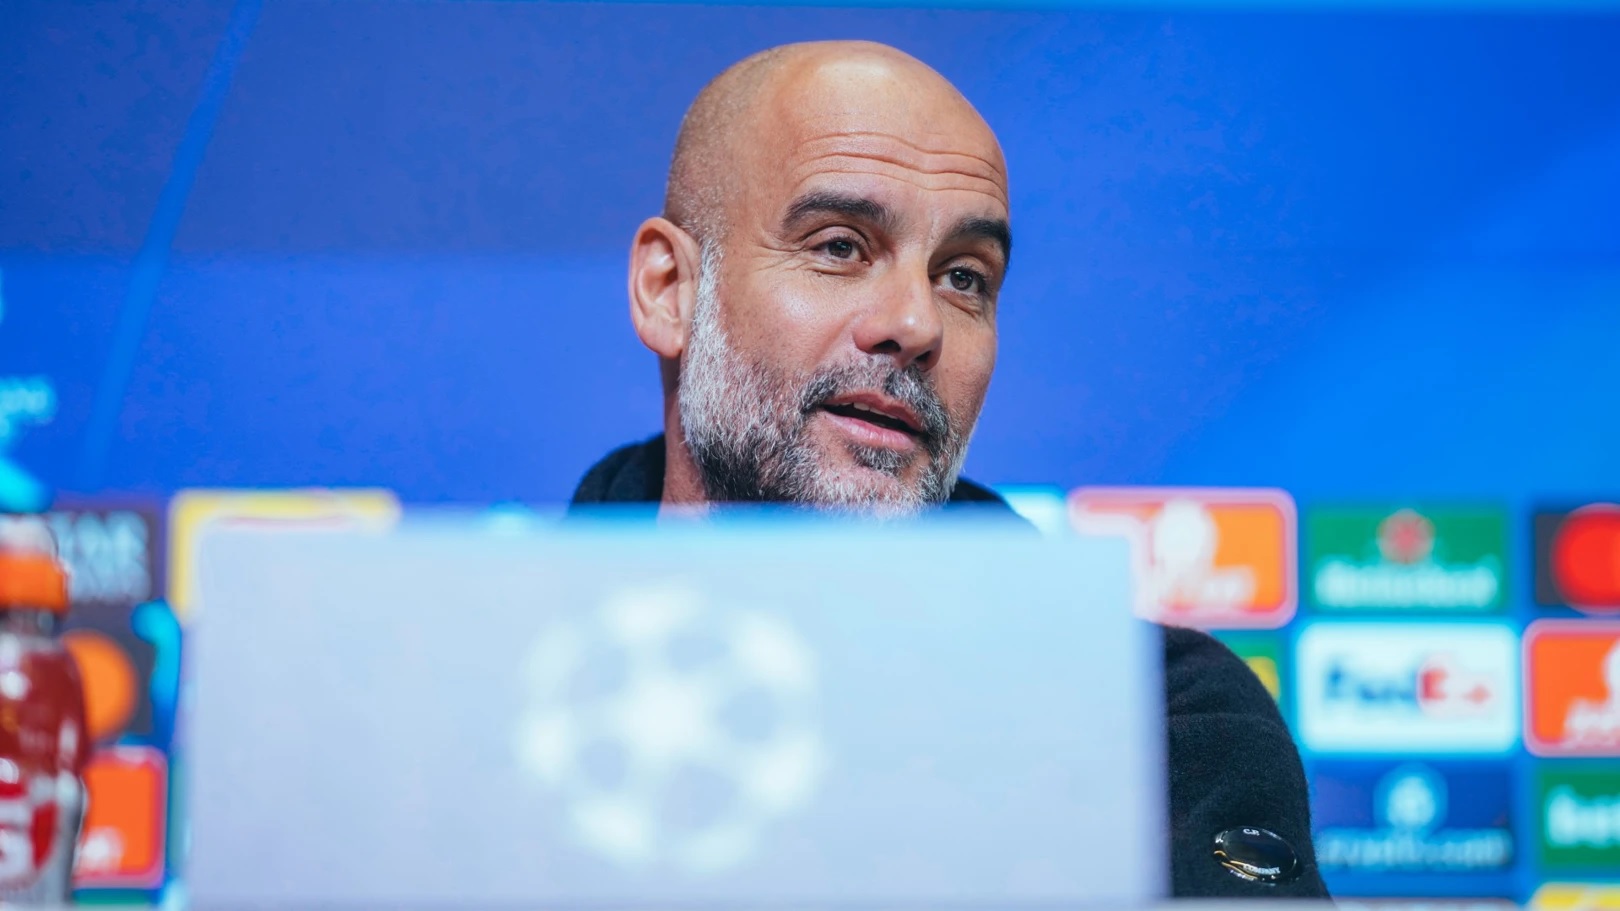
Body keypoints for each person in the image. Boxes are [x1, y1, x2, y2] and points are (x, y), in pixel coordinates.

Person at [570, 40, 1329, 899]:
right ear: (670, 290)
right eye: (840, 247)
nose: (916, 322)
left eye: (964, 277)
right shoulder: (484, 681)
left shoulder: (1151, 716)